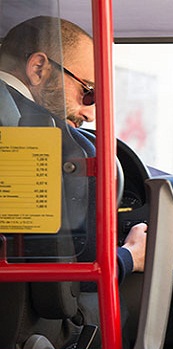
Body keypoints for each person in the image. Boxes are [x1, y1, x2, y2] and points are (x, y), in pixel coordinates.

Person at [0, 15, 147, 278]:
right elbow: (77, 279)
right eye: (88, 92)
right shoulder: (65, 147)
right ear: (38, 69)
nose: (90, 114)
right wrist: (129, 255)